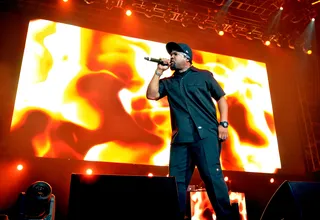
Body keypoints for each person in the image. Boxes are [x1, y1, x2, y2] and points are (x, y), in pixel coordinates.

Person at [146, 42, 233, 220]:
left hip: (206, 136)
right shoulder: (168, 82)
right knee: (176, 183)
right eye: (170, 54)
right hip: (181, 140)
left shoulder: (204, 76)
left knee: (212, 178)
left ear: (186, 57)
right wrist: (158, 72)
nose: (171, 57)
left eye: (175, 54)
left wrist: (223, 124)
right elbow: (152, 95)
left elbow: (221, 98)